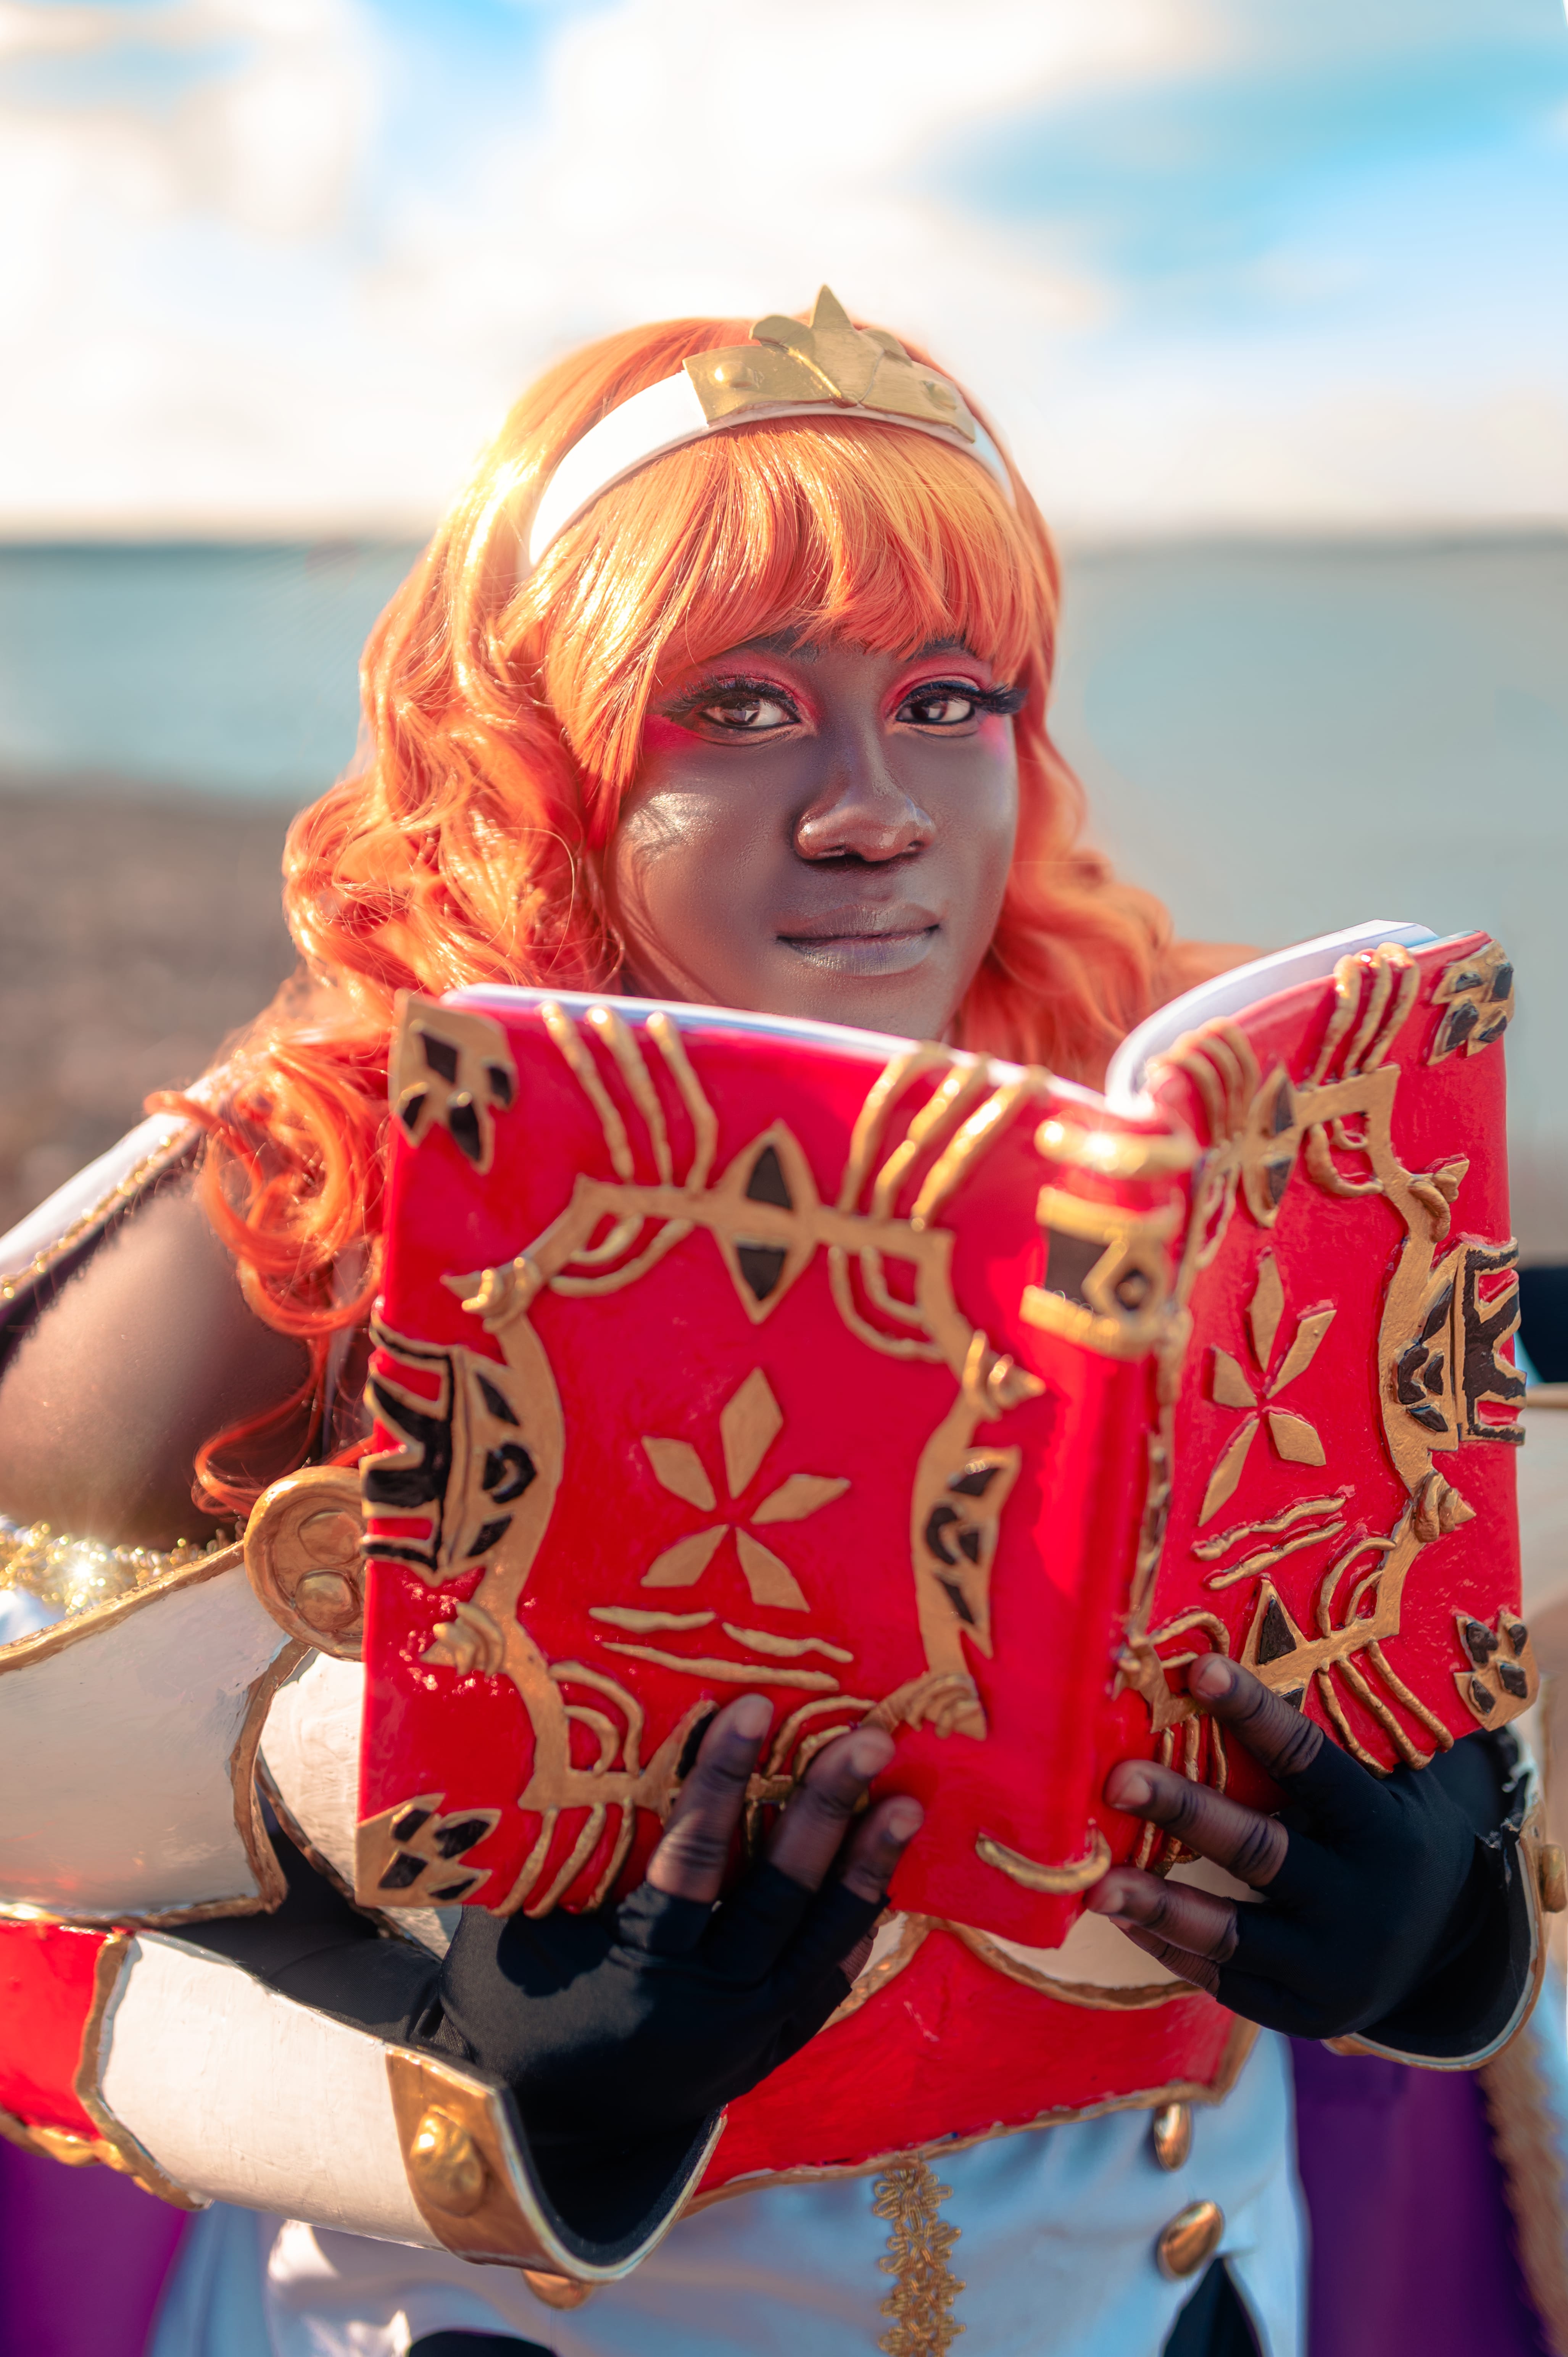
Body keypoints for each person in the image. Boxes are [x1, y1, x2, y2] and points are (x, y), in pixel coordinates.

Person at [0, 291, 1557, 2357]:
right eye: (736, 707)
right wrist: (475, 2055)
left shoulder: (1194, 1140)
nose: (872, 807)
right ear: (536, 747)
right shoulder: (314, 1193)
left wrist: (1435, 1908)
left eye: (949, 695)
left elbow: (1436, 1641)